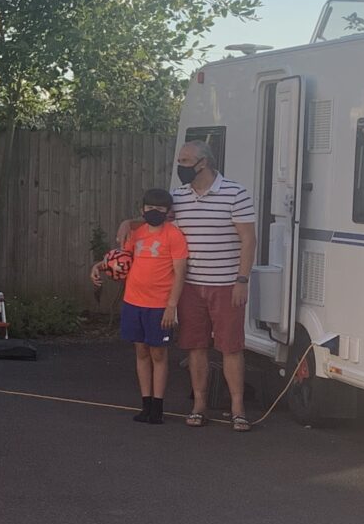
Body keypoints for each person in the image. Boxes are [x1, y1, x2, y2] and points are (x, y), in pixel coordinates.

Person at [166, 141, 256, 431]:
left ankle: (238, 409)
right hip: (190, 285)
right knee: (195, 346)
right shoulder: (177, 196)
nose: (180, 165)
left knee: (230, 347)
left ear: (203, 163)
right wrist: (126, 224)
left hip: (226, 284)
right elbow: (156, 224)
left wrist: (242, 279)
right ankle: (199, 405)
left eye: (184, 160)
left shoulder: (235, 192)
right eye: (179, 159)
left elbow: (248, 239)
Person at [91, 188, 187, 424]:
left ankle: (158, 406)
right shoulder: (137, 234)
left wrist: (171, 306)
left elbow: (180, 273)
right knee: (141, 352)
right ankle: (145, 404)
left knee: (159, 354)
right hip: (134, 302)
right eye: (150, 208)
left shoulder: (173, 236)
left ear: (168, 211)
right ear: (142, 209)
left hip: (159, 306)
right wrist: (98, 267)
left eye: (160, 209)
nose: (154, 212)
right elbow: (121, 260)